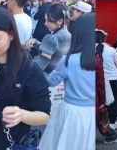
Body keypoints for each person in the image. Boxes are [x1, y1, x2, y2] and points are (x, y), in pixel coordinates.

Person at [0, 8, 51, 150]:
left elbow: (45, 116)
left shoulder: (29, 69)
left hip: (15, 142)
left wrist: (21, 115)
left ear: (11, 35)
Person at [40, 12, 96, 150]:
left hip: (71, 112)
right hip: (93, 112)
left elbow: (52, 81)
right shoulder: (99, 59)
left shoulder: (69, 60)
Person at [25, 3, 71, 78]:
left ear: (60, 21)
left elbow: (40, 64)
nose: (45, 23)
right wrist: (36, 43)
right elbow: (52, 50)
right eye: (45, 20)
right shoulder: (68, 34)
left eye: (49, 21)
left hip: (46, 76)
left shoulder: (51, 38)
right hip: (58, 75)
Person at [96, 29, 117, 130]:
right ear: (104, 38)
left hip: (99, 78)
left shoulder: (90, 49)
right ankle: (112, 122)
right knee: (113, 100)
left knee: (101, 101)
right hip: (113, 78)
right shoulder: (111, 49)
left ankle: (102, 122)